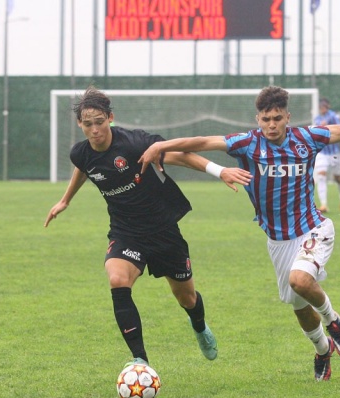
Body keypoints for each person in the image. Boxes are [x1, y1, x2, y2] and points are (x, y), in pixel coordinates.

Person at [139, 86, 340, 381]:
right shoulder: (247, 143)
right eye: (266, 119)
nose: (271, 125)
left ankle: (334, 322)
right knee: (299, 307)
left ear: (288, 117)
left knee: (300, 280)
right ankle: (323, 350)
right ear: (257, 119)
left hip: (313, 227)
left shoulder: (306, 138)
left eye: (277, 118)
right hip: (278, 241)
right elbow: (203, 141)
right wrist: (161, 146)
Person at [44, 86, 252, 369]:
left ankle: (199, 326)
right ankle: (140, 360)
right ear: (79, 123)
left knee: (187, 298)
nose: (95, 130)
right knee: (117, 279)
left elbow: (180, 155)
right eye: (88, 124)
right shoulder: (79, 153)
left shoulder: (134, 144)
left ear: (110, 118)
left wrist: (220, 170)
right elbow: (84, 167)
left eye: (100, 122)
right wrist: (65, 200)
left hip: (163, 230)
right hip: (125, 232)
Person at [313, 98, 340, 213]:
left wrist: (328, 126)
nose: (322, 108)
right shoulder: (317, 119)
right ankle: (324, 205)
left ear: (328, 106)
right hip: (322, 152)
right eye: (320, 106)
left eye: (324, 106)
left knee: (337, 177)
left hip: (334, 153)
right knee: (321, 175)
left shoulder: (334, 116)